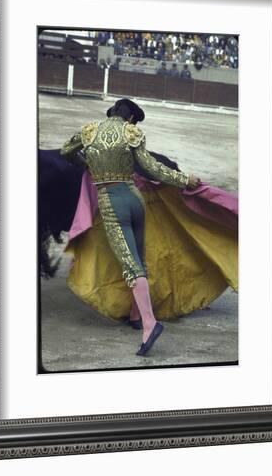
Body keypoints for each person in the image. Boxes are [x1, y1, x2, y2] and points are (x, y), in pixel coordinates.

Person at [60, 98, 201, 356]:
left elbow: (66, 151)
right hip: (135, 200)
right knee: (139, 258)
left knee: (130, 263)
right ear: (131, 119)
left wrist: (87, 163)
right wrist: (184, 180)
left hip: (111, 202)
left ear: (111, 113)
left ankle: (150, 324)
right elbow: (151, 168)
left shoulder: (90, 131)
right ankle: (137, 316)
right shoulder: (132, 132)